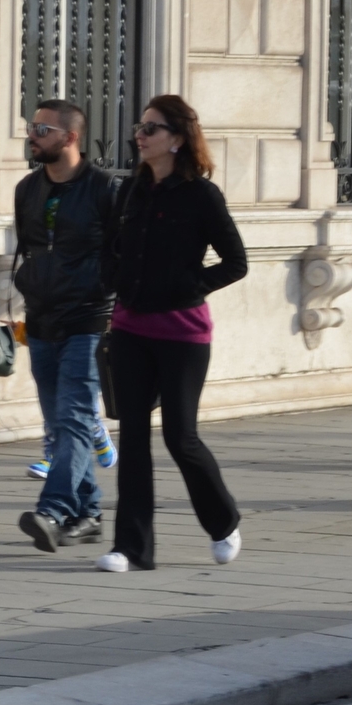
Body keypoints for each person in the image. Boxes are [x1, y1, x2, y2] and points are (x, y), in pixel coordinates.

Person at [96, 94, 249, 573]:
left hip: (182, 332)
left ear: (177, 139)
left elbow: (236, 262)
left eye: (151, 129)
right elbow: (111, 250)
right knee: (134, 436)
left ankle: (223, 522)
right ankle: (131, 548)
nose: (140, 136)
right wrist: (114, 281)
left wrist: (190, 286)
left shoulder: (202, 195)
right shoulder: (130, 191)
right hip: (129, 329)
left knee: (180, 437)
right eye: (140, 128)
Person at [13, 99, 120, 551]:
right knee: (59, 421)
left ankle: (53, 509)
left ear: (70, 137)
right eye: (32, 127)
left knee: (75, 416)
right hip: (41, 318)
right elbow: (31, 248)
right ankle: (88, 513)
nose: (33, 136)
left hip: (88, 317)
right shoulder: (27, 189)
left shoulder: (104, 189)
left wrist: (104, 295)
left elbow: (121, 252)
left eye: (42, 129)